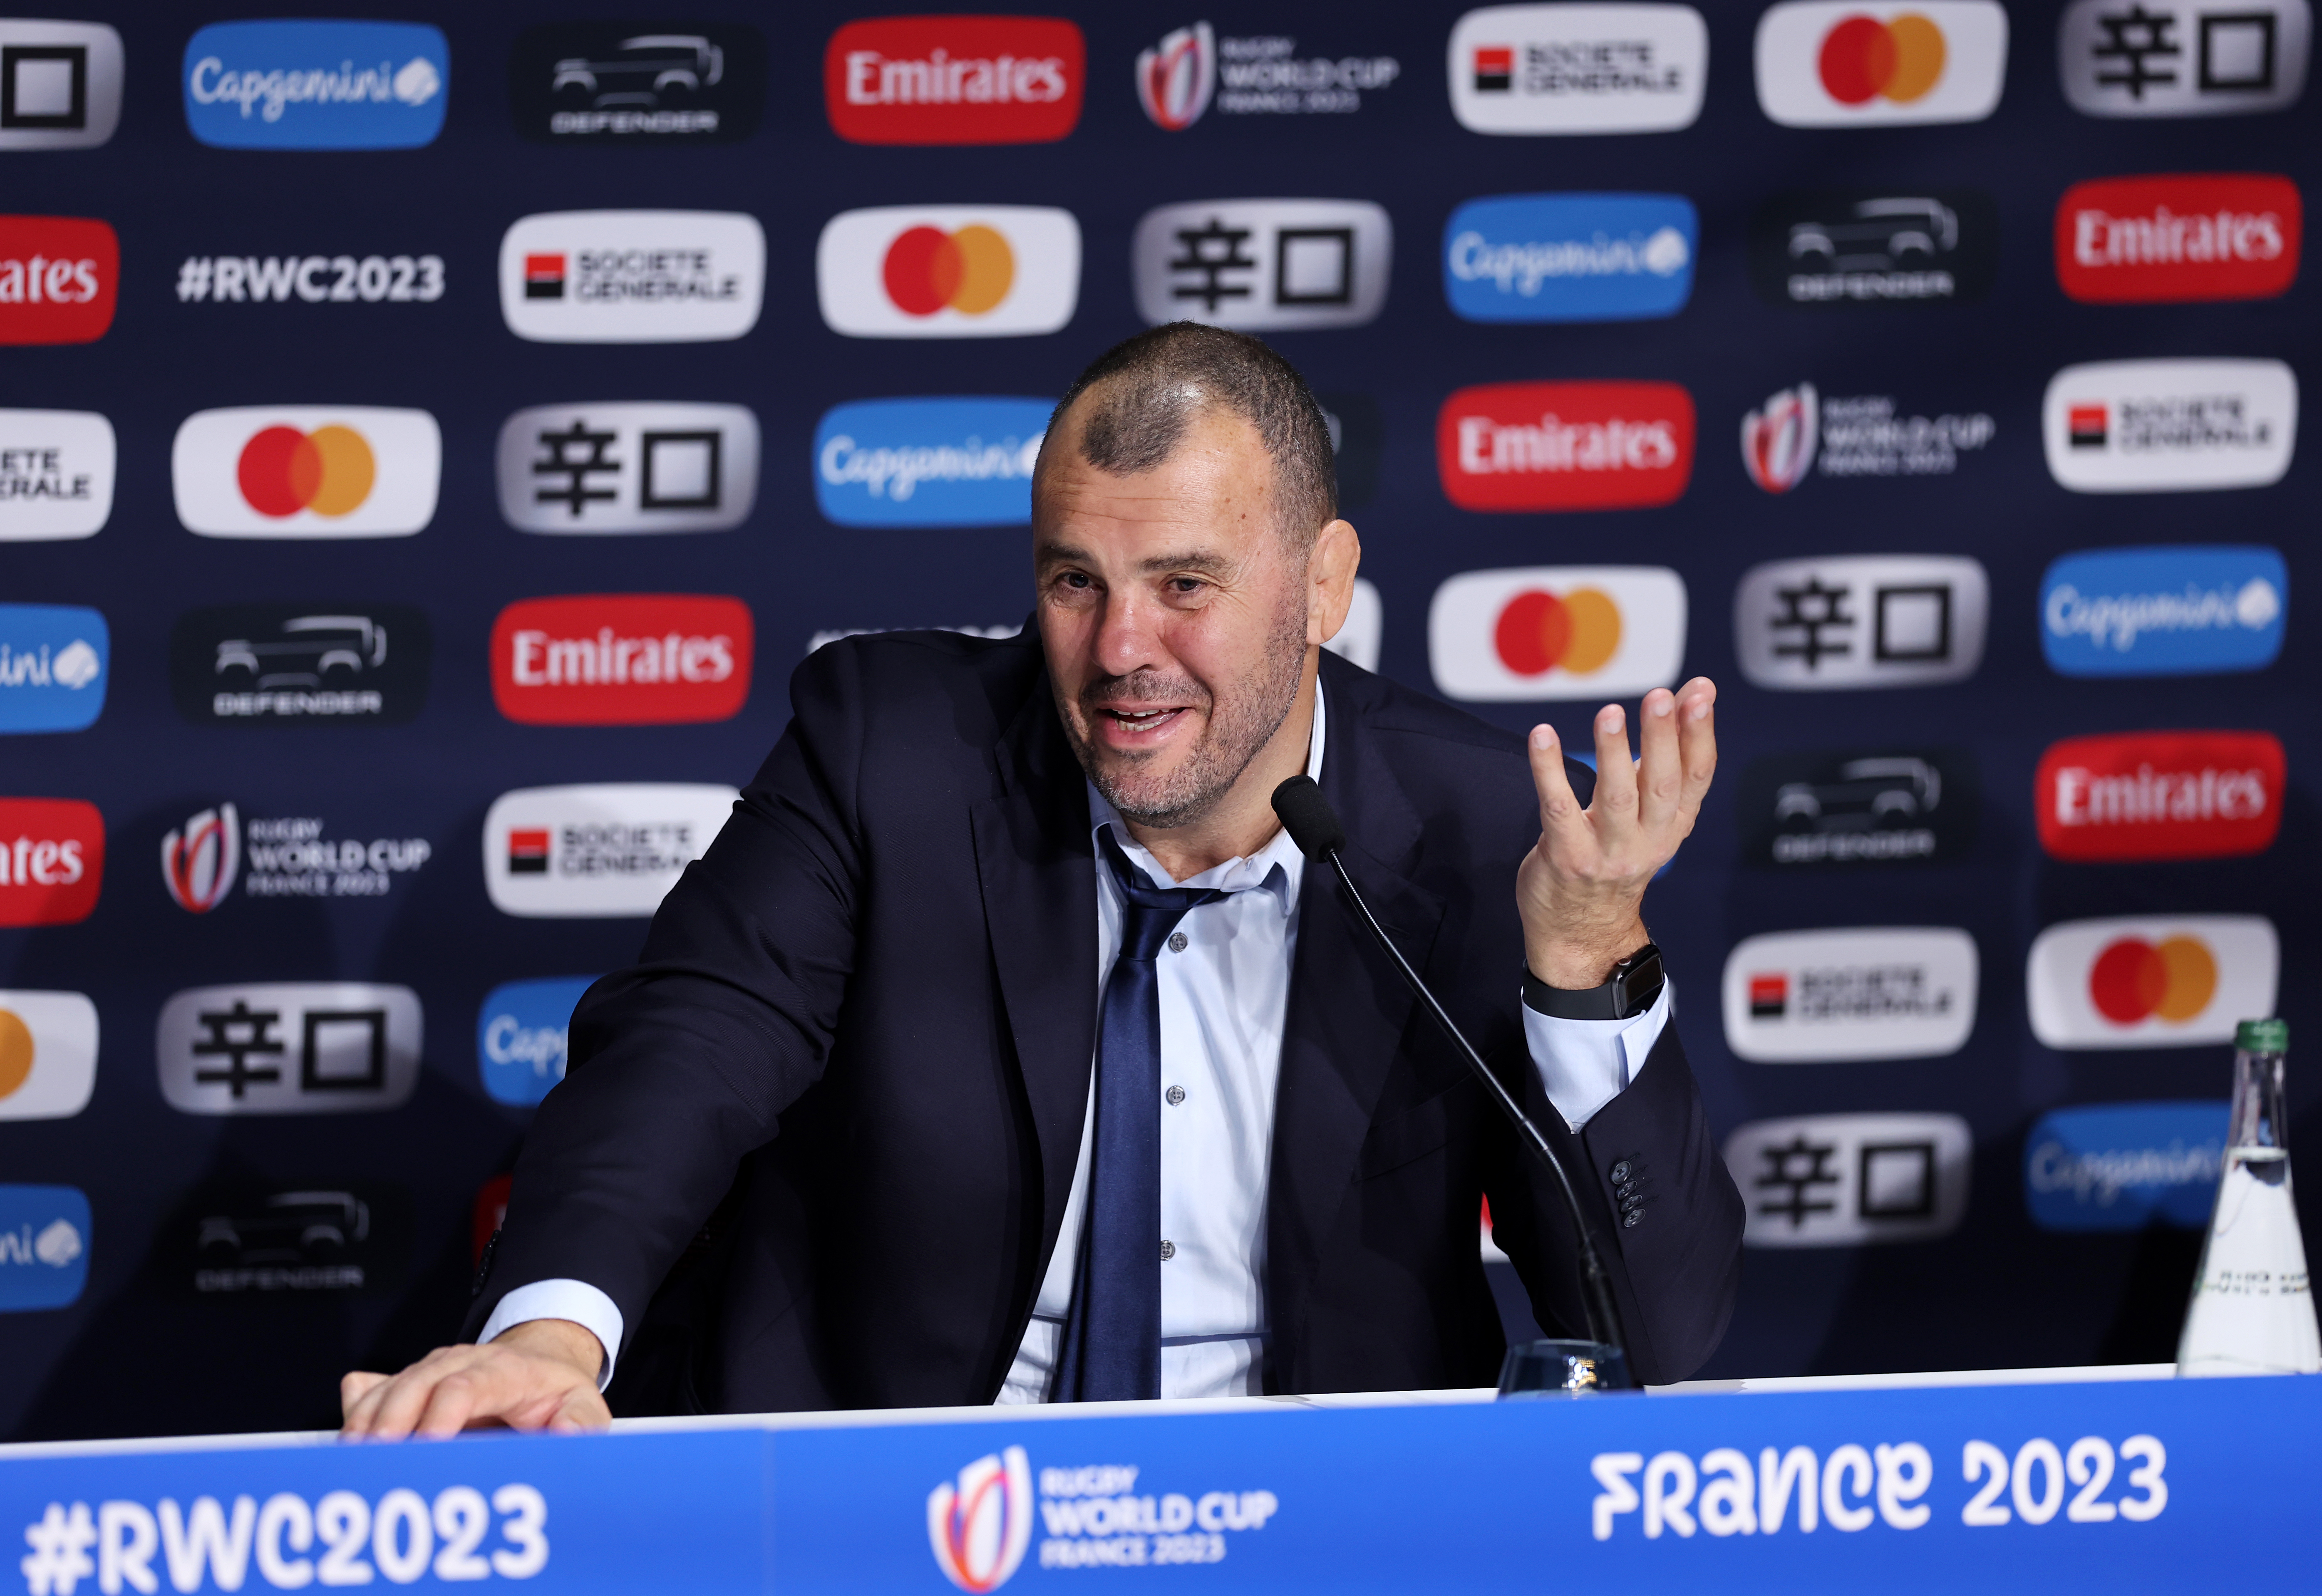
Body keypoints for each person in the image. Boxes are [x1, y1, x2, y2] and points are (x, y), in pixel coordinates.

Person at [340, 323, 1742, 1440]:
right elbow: (685, 1047)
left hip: (1311, 1543)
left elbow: (1655, 1342)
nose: (1119, 647)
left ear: (1322, 586)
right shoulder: (887, 748)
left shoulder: (1473, 823)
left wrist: (1581, 960)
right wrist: (545, 1334)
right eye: (1074, 581)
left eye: (1184, 583)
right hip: (906, 1528)